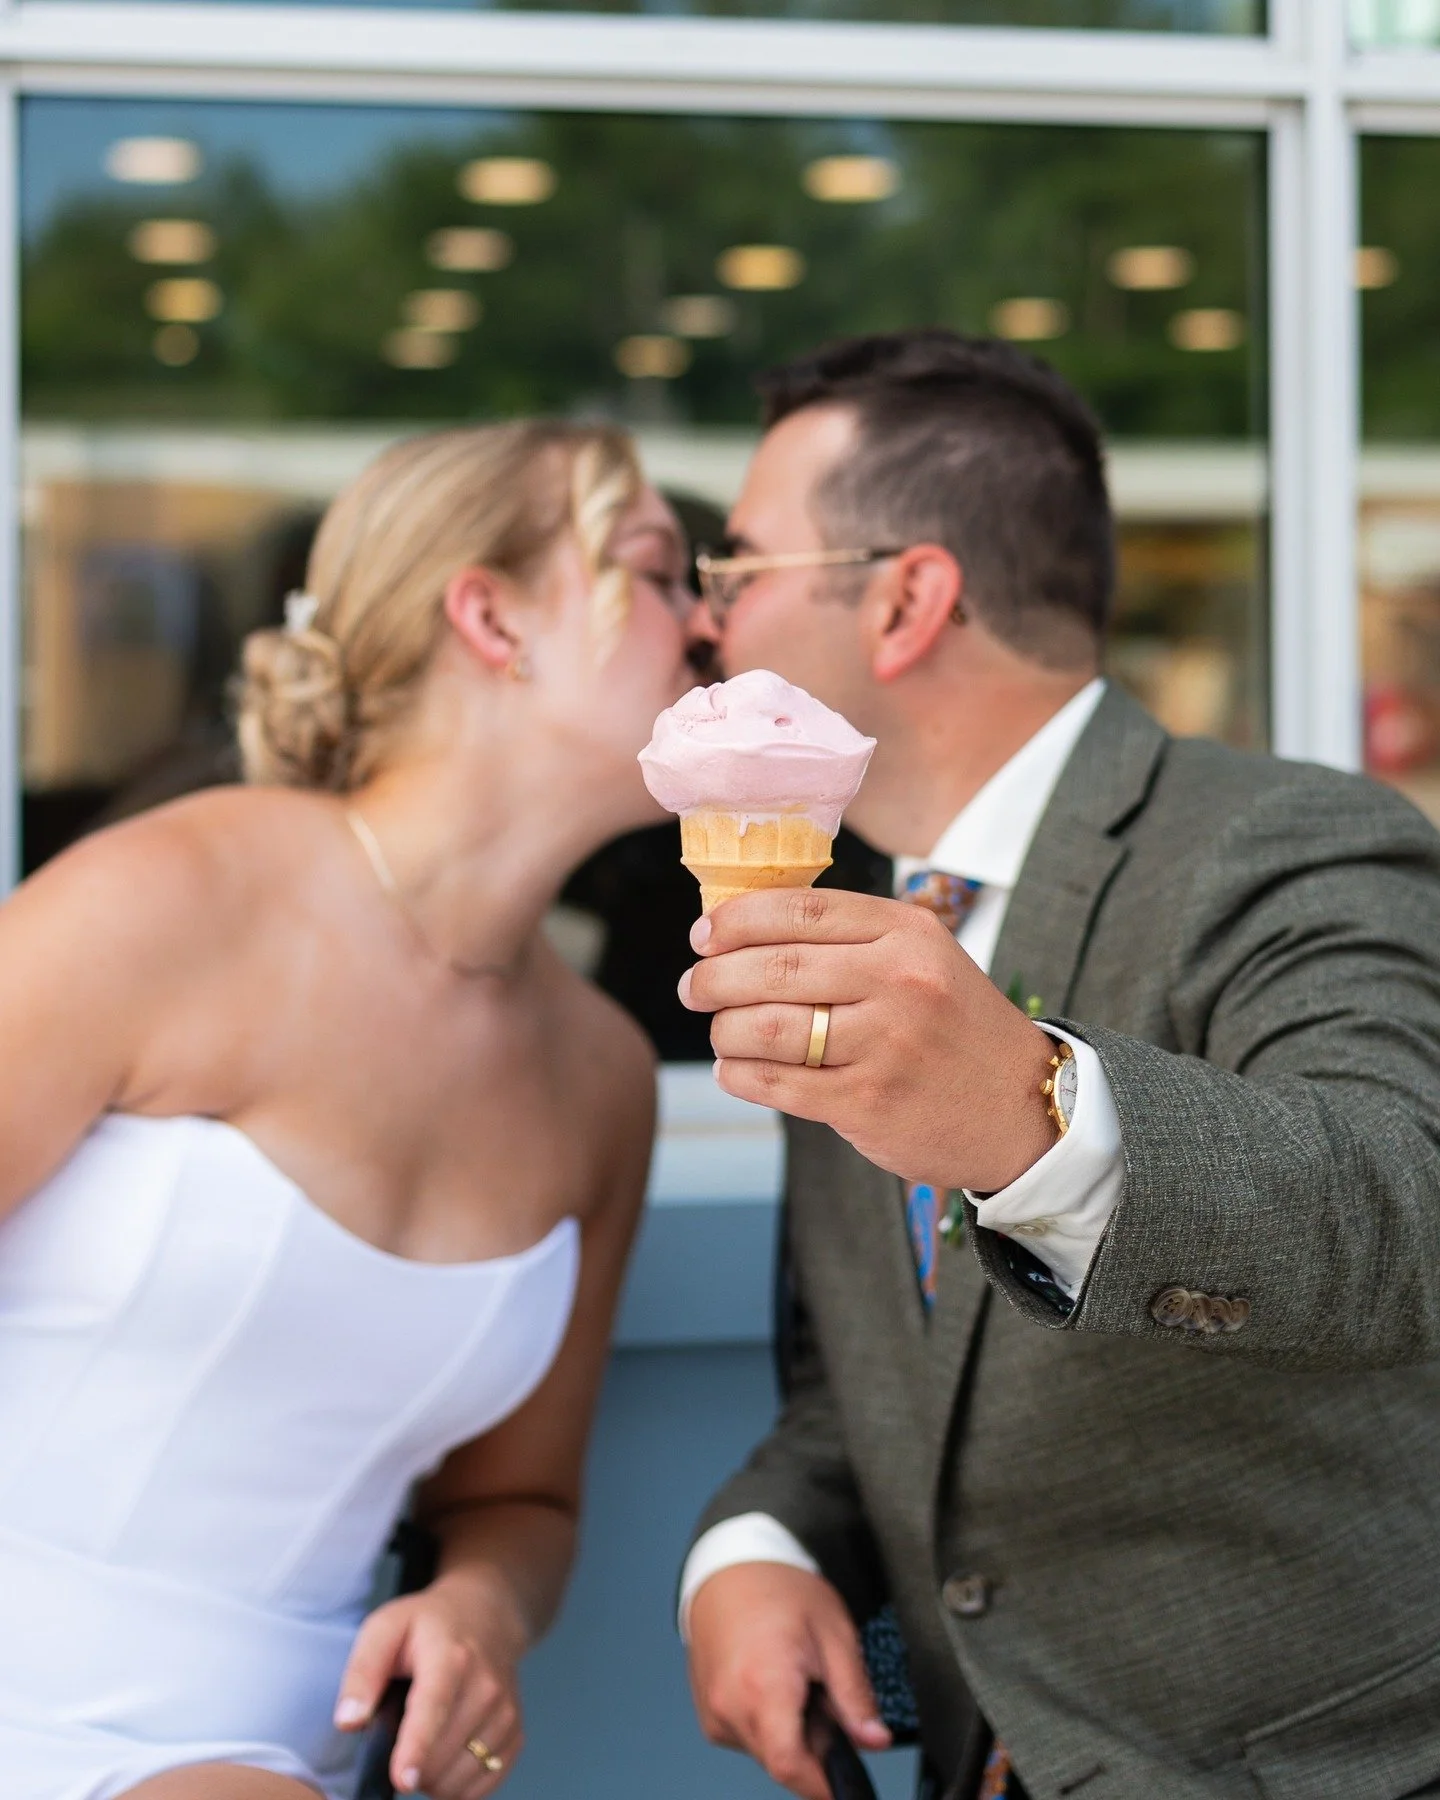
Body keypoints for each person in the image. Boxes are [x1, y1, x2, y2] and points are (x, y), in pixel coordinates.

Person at [677, 330, 1440, 1800]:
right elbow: (885, 1373)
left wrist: (1041, 1117)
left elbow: (1407, 1204)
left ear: (907, 598)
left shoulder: (1284, 838)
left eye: (739, 570)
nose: (708, 625)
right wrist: (751, 1552)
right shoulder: (853, 911)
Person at [0, 420, 696, 1800]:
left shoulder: (603, 1078)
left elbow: (518, 1502)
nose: (712, 617)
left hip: (279, 1753)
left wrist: (484, 1609)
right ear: (490, 614)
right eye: (659, 571)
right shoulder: (162, 903)